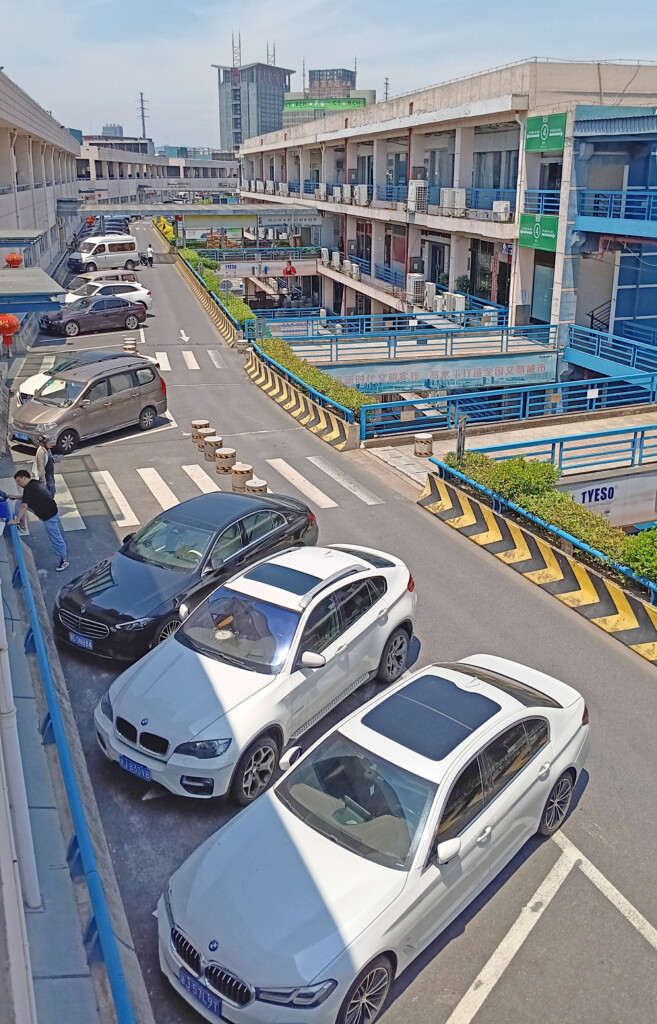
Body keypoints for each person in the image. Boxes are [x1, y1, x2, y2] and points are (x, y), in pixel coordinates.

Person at [8, 471, 69, 571]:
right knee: (19, 502)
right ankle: (21, 524)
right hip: (46, 510)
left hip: (49, 516)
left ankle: (64, 559)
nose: (18, 484)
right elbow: (26, 499)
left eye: (19, 481)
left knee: (55, 537)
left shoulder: (29, 489)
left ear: (24, 478)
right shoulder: (33, 484)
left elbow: (24, 505)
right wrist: (15, 496)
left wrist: (16, 520)